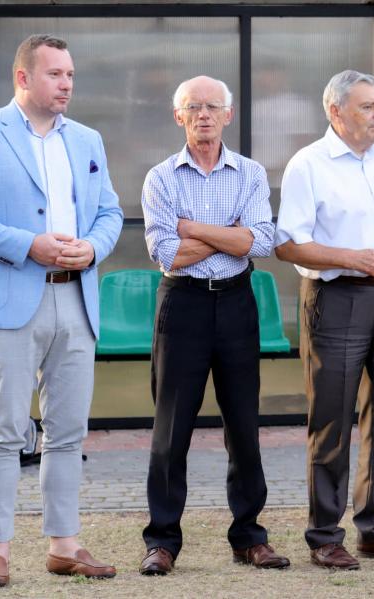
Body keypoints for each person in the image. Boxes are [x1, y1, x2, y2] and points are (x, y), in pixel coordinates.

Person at [0, 34, 123, 587]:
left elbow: (110, 213)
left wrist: (93, 248)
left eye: (70, 75)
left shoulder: (88, 139)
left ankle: (64, 545)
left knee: (68, 430)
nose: (67, 84)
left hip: (77, 297)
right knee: (5, 429)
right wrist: (28, 245)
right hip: (10, 298)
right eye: (55, 74)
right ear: (23, 77)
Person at [274, 70, 374, 570]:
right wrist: (350, 258)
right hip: (336, 298)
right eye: (367, 106)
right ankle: (324, 535)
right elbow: (287, 243)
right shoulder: (308, 164)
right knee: (333, 422)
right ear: (335, 111)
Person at [138, 75, 289, 576]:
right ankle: (162, 541)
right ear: (178, 116)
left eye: (212, 107)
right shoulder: (161, 177)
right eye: (193, 107)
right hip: (182, 305)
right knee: (171, 429)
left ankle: (249, 536)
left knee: (243, 426)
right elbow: (167, 253)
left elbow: (260, 242)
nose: (203, 115)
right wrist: (229, 235)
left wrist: (194, 229)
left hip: (236, 303)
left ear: (228, 114)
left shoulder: (250, 173)